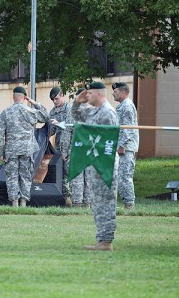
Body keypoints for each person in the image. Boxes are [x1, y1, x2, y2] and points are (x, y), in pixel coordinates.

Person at [72, 82, 119, 251]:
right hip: (96, 163)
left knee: (106, 202)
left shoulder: (107, 113)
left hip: (104, 164)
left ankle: (107, 241)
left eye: (89, 93)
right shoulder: (94, 111)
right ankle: (102, 239)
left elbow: (109, 142)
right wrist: (77, 101)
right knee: (98, 203)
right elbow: (77, 115)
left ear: (99, 94)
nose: (87, 96)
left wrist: (102, 167)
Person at [0, 86, 49, 207]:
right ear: (24, 98)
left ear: (13, 97)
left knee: (12, 176)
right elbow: (45, 116)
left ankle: (14, 202)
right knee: (25, 175)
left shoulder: (5, 113)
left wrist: (0, 152)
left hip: (11, 150)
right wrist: (34, 103)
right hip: (27, 149)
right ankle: (23, 202)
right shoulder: (30, 111)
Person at [60, 88, 91, 208]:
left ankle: (77, 204)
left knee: (77, 179)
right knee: (88, 179)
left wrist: (64, 152)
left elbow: (67, 133)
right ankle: (87, 203)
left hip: (76, 150)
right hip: (90, 150)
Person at [112, 82, 139, 210]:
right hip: (121, 146)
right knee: (120, 177)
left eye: (115, 91)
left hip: (126, 148)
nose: (113, 93)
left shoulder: (127, 107)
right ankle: (127, 203)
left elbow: (128, 128)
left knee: (125, 176)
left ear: (123, 93)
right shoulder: (121, 106)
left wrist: (121, 146)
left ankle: (129, 205)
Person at [48, 87, 72, 207]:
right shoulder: (52, 112)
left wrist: (58, 124)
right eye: (53, 100)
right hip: (60, 147)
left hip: (72, 146)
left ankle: (81, 200)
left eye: (56, 98)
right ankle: (67, 199)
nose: (55, 101)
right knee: (61, 173)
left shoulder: (70, 109)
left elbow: (71, 127)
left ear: (62, 96)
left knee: (72, 173)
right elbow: (51, 130)